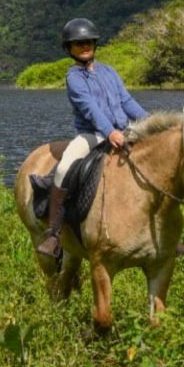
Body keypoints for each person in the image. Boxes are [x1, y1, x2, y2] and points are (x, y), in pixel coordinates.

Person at [35, 17, 147, 258]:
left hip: (124, 130)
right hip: (92, 135)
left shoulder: (109, 71)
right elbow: (89, 109)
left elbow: (127, 101)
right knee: (65, 167)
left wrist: (149, 123)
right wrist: (110, 132)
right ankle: (53, 234)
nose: (85, 46)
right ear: (69, 49)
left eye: (88, 42)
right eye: (78, 43)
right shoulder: (74, 77)